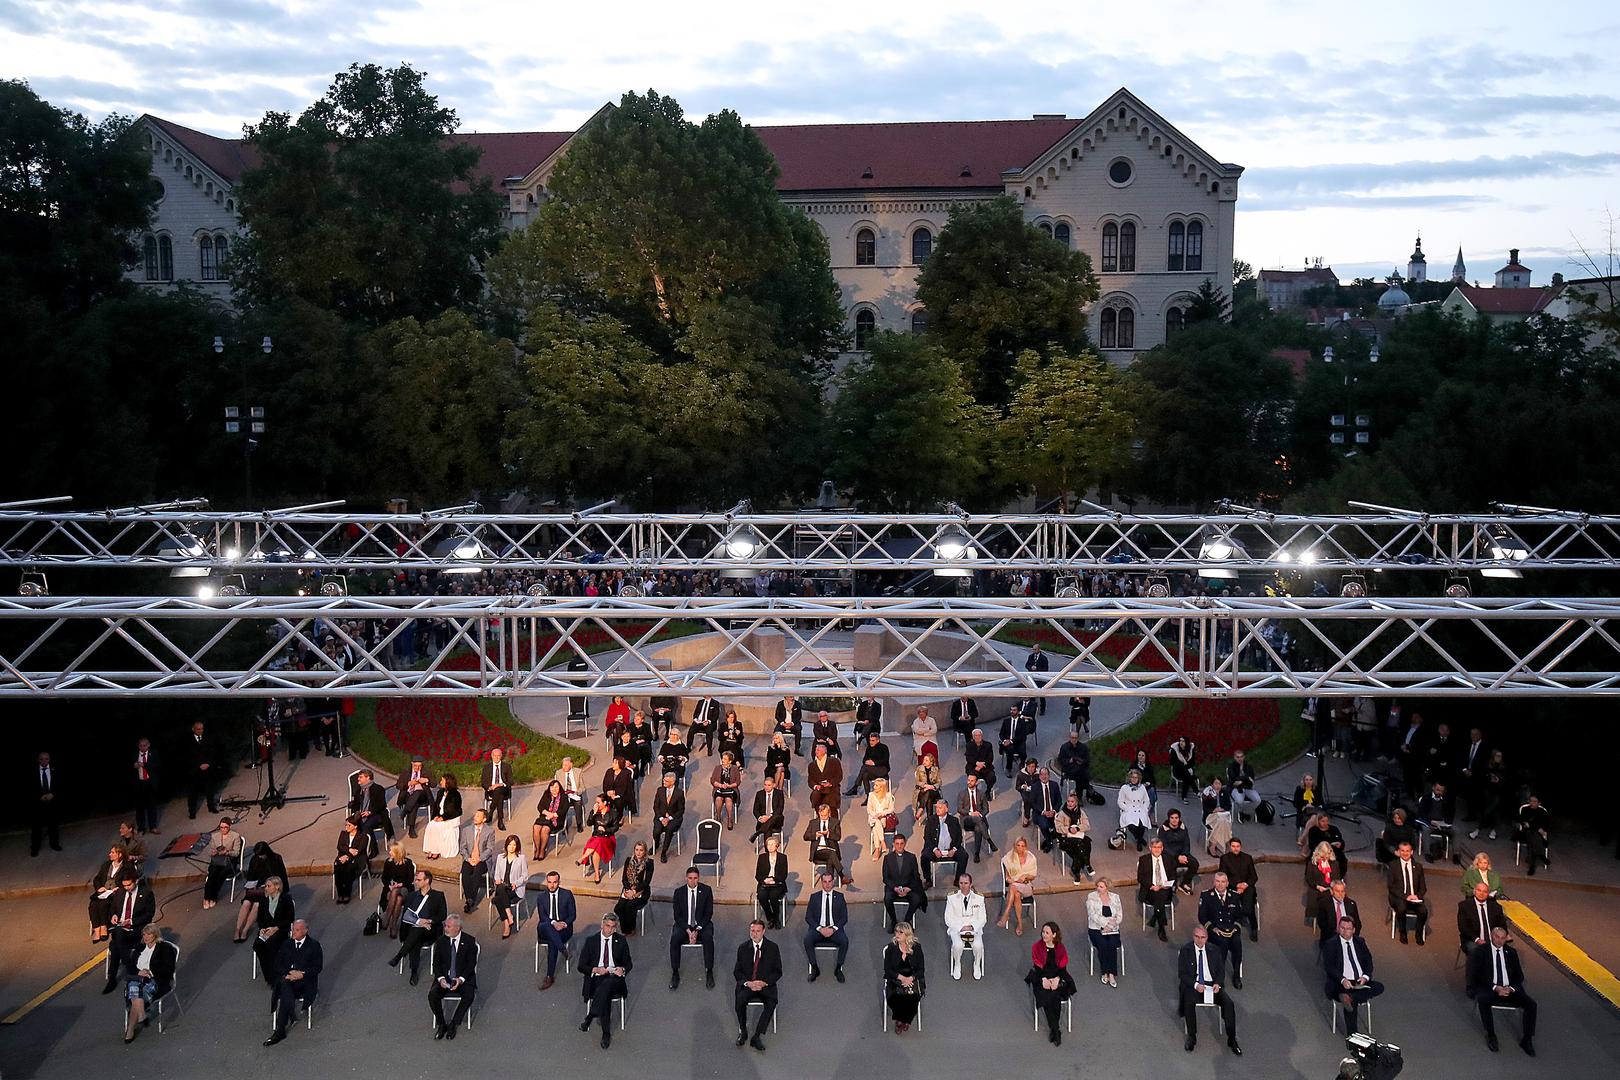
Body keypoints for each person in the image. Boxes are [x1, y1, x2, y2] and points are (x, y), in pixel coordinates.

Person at [1466, 926, 1537, 1055]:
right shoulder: (1481, 952)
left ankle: (1527, 1039)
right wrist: (1495, 987)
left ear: (1506, 939)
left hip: (1508, 989)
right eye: (1497, 937)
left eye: (1502, 938)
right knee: (1483, 999)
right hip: (1491, 988)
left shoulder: (1511, 953)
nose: (1499, 941)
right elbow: (1477, 974)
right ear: (1492, 936)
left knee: (1531, 1005)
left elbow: (1519, 976)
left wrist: (1510, 988)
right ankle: (1491, 1034)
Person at [1178, 925, 1241, 1054]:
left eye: (1202, 937)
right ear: (1193, 936)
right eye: (1197, 937)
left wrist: (1217, 983)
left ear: (1207, 938)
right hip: (1194, 985)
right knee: (1189, 1002)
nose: (1199, 940)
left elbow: (1220, 971)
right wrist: (1196, 985)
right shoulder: (1186, 950)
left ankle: (1232, 1038)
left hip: (1212, 986)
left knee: (1228, 1004)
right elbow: (1182, 974)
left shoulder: (1214, 950)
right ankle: (1192, 1036)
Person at [579, 913, 633, 1049]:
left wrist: (623, 970)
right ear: (602, 925)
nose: (610, 930)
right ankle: (605, 1032)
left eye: (613, 927)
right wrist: (596, 969)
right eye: (608, 926)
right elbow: (581, 966)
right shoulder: (591, 941)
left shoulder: (620, 940)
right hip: (597, 977)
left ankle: (591, 1017)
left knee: (607, 984)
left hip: (616, 979)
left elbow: (629, 963)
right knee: (604, 990)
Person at [1323, 916, 1384, 1035]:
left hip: (1358, 981)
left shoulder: (1360, 942)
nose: (1345, 931)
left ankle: (1350, 998)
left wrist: (1365, 977)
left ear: (1354, 930)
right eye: (1342, 928)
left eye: (1348, 928)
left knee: (1379, 987)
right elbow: (1329, 967)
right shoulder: (1331, 944)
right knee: (1348, 996)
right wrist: (1342, 979)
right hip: (1340, 983)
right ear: (1338, 928)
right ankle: (1353, 1034)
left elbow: (1368, 961)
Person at [264, 919, 321, 1046]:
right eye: (293, 929)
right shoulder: (286, 944)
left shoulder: (314, 946)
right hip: (288, 979)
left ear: (305, 931)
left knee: (285, 991)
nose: (293, 932)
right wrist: (289, 973)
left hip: (304, 982)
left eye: (297, 930)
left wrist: (301, 974)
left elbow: (317, 967)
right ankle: (283, 1025)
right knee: (285, 986)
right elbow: (277, 964)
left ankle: (280, 1029)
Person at [119, 923, 177, 1044]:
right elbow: (129, 967)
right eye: (144, 934)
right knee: (134, 987)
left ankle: (130, 1029)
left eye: (149, 934)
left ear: (155, 935)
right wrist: (140, 972)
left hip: (155, 980)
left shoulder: (165, 948)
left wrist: (150, 972)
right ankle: (140, 1016)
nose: (146, 937)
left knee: (136, 995)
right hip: (137, 978)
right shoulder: (140, 947)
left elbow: (168, 970)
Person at [388, 869, 447, 984]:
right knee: (416, 933)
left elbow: (442, 915)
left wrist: (428, 921)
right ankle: (413, 970)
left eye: (418, 880)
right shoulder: (412, 896)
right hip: (413, 930)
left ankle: (401, 957)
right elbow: (405, 915)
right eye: (415, 880)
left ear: (427, 881)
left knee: (416, 932)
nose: (415, 882)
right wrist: (419, 922)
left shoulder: (438, 896)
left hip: (430, 930)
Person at [101, 872, 155, 993]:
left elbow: (149, 915)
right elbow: (113, 910)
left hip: (135, 931)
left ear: (135, 881)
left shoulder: (146, 894)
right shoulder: (120, 893)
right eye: (124, 885)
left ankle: (113, 978)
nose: (126, 888)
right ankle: (130, 968)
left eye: (129, 885)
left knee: (114, 945)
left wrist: (131, 921)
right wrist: (114, 916)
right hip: (121, 929)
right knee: (118, 933)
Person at [734, 918, 782, 1051]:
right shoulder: (743, 948)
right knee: (740, 1000)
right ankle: (743, 1030)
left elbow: (777, 972)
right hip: (749, 985)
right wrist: (748, 983)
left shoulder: (773, 948)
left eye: (757, 931)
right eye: (752, 931)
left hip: (764, 985)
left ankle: (757, 1035)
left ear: (763, 932)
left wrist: (764, 983)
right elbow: (737, 972)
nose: (754, 934)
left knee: (772, 1002)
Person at [427, 914, 478, 1039]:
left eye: (448, 926)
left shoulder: (469, 941)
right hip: (445, 978)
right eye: (445, 926)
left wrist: (460, 980)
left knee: (469, 995)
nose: (445, 928)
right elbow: (436, 963)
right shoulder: (441, 941)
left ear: (457, 928)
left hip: (462, 978)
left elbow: (471, 964)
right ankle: (441, 1024)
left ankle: (454, 1023)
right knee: (432, 995)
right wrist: (441, 979)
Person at [1026, 921, 1076, 1046]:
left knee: (1055, 995)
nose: (1044, 935)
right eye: (1043, 932)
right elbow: (1037, 966)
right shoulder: (1036, 947)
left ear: (1054, 935)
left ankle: (1054, 1029)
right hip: (1041, 976)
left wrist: (1057, 979)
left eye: (1047, 933)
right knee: (1047, 996)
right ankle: (1056, 1030)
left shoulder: (1060, 948)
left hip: (1058, 977)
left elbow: (1063, 967)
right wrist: (1044, 979)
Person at [668, 865, 716, 989]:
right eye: (690, 878)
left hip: (702, 924)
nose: (693, 881)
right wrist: (689, 930)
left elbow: (708, 913)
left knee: (708, 938)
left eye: (695, 878)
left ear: (698, 878)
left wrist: (698, 929)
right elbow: (677, 916)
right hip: (684, 924)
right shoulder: (679, 892)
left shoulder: (706, 890)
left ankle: (709, 970)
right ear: (686, 878)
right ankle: (675, 972)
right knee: (674, 939)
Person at [1198, 872, 1246, 989]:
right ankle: (1220, 976)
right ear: (1214, 882)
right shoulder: (1206, 895)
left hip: (1231, 929)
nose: (1220, 884)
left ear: (1227, 883)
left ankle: (1236, 975)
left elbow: (1240, 916)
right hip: (1215, 930)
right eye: (1217, 881)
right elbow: (1202, 916)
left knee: (1237, 943)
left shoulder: (1234, 896)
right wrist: (1212, 928)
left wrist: (1236, 928)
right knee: (1222, 943)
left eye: (1223, 882)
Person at [235, 841, 290, 942]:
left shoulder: (276, 858)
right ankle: (238, 929)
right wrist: (252, 884)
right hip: (257, 888)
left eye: (261, 855)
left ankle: (245, 930)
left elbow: (281, 876)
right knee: (246, 903)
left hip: (269, 889)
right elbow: (251, 876)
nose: (259, 857)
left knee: (256, 905)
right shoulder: (255, 859)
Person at [802, 870, 849, 981]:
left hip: (834, 930)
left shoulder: (840, 897)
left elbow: (844, 918)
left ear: (833, 882)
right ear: (822, 883)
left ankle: (838, 968)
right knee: (807, 939)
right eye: (825, 882)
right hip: (818, 929)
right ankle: (814, 968)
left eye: (829, 881)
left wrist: (833, 929)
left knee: (844, 941)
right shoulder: (814, 897)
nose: (827, 884)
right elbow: (808, 917)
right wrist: (820, 929)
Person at [534, 870, 576, 989]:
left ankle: (549, 976)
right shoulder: (541, 897)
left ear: (559, 882)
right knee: (546, 925)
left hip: (563, 929)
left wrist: (563, 924)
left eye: (555, 882)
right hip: (546, 927)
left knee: (553, 940)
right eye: (549, 882)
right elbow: (542, 917)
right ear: (547, 882)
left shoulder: (567, 894)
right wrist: (554, 923)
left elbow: (573, 915)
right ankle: (563, 950)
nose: (552, 885)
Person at [883, 921, 926, 1033]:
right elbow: (888, 970)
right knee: (897, 995)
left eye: (900, 932)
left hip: (913, 980)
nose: (897, 935)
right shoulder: (891, 949)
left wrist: (911, 978)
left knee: (911, 996)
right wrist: (901, 978)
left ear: (907, 935)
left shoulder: (916, 948)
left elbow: (921, 970)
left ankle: (904, 1019)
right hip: (895, 980)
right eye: (896, 932)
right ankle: (901, 1018)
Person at [944, 872, 987, 979]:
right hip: (957, 929)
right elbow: (948, 919)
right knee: (958, 945)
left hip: (974, 929)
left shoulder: (979, 898)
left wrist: (972, 927)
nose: (963, 886)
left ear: (971, 884)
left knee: (978, 946)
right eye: (961, 883)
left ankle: (977, 965)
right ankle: (957, 964)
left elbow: (983, 918)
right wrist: (961, 928)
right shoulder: (951, 898)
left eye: (966, 883)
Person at [89, 843, 135, 943]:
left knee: (103, 904)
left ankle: (104, 927)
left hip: (116, 892)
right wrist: (99, 887)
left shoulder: (127, 866)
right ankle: (97, 929)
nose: (110, 854)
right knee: (93, 904)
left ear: (120, 854)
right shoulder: (106, 865)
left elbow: (129, 880)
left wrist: (120, 888)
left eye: (113, 852)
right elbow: (97, 878)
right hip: (105, 891)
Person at [252, 875, 295, 977]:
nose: (266, 888)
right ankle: (268, 971)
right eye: (266, 886)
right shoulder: (264, 900)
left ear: (277, 886)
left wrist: (276, 928)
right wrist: (262, 928)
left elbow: (289, 918)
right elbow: (260, 918)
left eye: (268, 886)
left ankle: (276, 971)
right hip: (267, 930)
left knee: (271, 944)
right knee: (258, 945)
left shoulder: (286, 899)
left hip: (280, 930)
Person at [880, 832, 927, 927]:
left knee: (916, 898)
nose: (899, 846)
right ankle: (894, 921)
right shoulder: (888, 858)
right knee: (887, 899)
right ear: (893, 844)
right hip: (893, 887)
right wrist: (895, 888)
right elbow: (885, 878)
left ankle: (906, 922)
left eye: (901, 843)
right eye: (897, 844)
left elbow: (916, 876)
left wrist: (908, 888)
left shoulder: (911, 857)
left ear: (905, 844)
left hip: (908, 887)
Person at [1217, 838, 1259, 940]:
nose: (1236, 849)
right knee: (1229, 904)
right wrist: (1236, 885)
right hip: (1232, 887)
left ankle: (1254, 928)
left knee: (1249, 908)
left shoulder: (1248, 858)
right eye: (1233, 846)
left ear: (1241, 847)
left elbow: (1254, 876)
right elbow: (1223, 877)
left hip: (1247, 887)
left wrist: (1245, 885)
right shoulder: (1224, 858)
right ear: (1230, 847)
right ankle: (1229, 927)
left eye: (1238, 846)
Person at [457, 808, 498, 913]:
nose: (475, 818)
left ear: (484, 819)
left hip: (482, 860)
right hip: (469, 858)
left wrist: (479, 859)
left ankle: (470, 899)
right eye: (475, 815)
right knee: (465, 873)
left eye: (478, 816)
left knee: (476, 873)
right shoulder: (466, 830)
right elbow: (462, 848)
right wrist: (468, 858)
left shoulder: (490, 831)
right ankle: (469, 899)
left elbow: (490, 848)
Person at [1387, 840, 1428, 944]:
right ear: (1399, 852)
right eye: (1403, 851)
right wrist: (1406, 897)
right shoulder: (1393, 866)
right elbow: (1391, 887)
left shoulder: (1418, 866)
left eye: (1407, 851)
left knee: (1423, 911)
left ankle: (1418, 934)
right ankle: (1403, 932)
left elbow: (1423, 888)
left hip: (1415, 898)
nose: (1405, 853)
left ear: (1412, 852)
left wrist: (1417, 896)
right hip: (1399, 897)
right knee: (1401, 908)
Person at [998, 836, 1038, 936]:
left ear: (1026, 847)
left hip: (1027, 886)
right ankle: (1020, 924)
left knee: (1012, 887)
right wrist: (1013, 880)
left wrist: (1025, 876)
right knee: (1015, 893)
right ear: (1015, 846)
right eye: (1018, 845)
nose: (1020, 848)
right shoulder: (1009, 857)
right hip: (1015, 885)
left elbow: (1033, 876)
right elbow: (1007, 878)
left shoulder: (1031, 858)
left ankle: (1006, 914)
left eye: (1022, 846)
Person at [1087, 878, 1124, 986]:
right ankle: (1105, 972)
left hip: (1112, 928)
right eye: (1097, 886)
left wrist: (1112, 925)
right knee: (1103, 944)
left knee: (1112, 944)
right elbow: (1092, 915)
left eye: (1101, 887)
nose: (1098, 888)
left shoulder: (1115, 897)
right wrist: (1105, 924)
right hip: (1096, 928)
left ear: (1107, 888)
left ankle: (1111, 973)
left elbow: (1119, 915)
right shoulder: (1091, 897)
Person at [613, 840, 654, 935]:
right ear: (634, 850)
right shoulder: (628, 860)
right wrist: (628, 890)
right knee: (618, 908)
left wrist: (635, 891)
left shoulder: (649, 863)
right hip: (628, 889)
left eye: (641, 850)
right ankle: (625, 926)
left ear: (645, 851)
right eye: (637, 850)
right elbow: (624, 879)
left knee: (629, 906)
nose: (638, 852)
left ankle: (630, 928)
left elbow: (646, 881)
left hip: (641, 891)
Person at [921, 798, 965, 887]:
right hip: (935, 848)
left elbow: (959, 837)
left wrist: (954, 849)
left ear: (946, 809)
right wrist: (934, 849)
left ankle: (957, 880)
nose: (937, 809)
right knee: (924, 857)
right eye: (936, 807)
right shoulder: (931, 820)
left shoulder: (954, 820)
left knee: (964, 856)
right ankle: (928, 879)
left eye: (940, 808)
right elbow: (927, 837)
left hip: (951, 848)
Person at [491, 835, 528, 939]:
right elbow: (497, 874)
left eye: (514, 845)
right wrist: (497, 879)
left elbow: (525, 877)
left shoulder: (521, 858)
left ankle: (507, 921)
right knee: (501, 888)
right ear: (506, 846)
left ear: (517, 846)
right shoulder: (500, 857)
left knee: (497, 898)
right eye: (509, 845)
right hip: (503, 887)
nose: (511, 847)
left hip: (514, 889)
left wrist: (516, 883)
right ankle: (508, 919)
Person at [1138, 838, 1176, 942]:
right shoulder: (1143, 860)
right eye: (1155, 847)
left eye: (1159, 847)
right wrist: (1151, 886)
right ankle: (1161, 927)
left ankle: (1156, 918)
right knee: (1158, 895)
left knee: (1161, 894)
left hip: (1165, 889)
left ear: (1162, 848)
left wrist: (1168, 885)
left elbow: (1173, 875)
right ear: (1150, 848)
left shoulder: (1169, 859)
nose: (1157, 850)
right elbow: (1140, 878)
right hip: (1150, 890)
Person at [376, 841, 415, 938]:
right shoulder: (388, 862)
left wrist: (401, 884)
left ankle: (387, 917)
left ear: (397, 852)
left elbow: (410, 879)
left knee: (397, 892)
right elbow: (384, 878)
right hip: (392, 889)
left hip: (405, 888)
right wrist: (389, 885)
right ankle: (393, 925)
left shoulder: (408, 863)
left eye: (391, 851)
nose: (389, 852)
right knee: (398, 899)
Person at [579, 794, 621, 883]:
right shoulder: (595, 811)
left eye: (598, 802)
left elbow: (616, 828)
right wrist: (593, 814)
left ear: (605, 803)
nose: (596, 804)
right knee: (597, 847)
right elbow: (589, 823)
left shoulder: (613, 813)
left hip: (608, 838)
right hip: (596, 837)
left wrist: (605, 829)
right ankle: (597, 873)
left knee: (598, 842)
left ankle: (583, 858)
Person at [182, 721, 221, 819]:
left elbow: (213, 752)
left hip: (208, 768)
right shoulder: (187, 741)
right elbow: (187, 756)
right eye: (198, 729)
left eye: (202, 729)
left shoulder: (208, 738)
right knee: (193, 792)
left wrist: (208, 763)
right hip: (194, 770)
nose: (200, 731)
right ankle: (192, 811)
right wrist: (198, 765)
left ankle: (211, 807)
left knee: (210, 789)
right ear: (193, 729)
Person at [804, 802, 849, 884]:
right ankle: (842, 876)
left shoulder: (835, 822)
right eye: (821, 816)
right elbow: (805, 837)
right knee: (831, 854)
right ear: (819, 813)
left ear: (829, 813)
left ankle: (828, 883)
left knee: (830, 858)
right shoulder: (813, 823)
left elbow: (838, 837)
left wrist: (829, 834)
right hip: (818, 851)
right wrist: (815, 835)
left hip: (831, 850)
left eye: (825, 815)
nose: (823, 817)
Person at [1458, 879, 1509, 950]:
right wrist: (1477, 940)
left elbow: (1502, 926)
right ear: (1474, 891)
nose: (1481, 894)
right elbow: (1463, 927)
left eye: (1485, 892)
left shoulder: (1496, 907)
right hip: (1473, 939)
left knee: (1508, 952)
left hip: (1493, 940)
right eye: (1479, 890)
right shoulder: (1464, 906)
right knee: (1476, 951)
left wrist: (1498, 938)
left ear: (1488, 894)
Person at [1052, 792, 1092, 882]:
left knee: (1087, 843)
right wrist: (1069, 829)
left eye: (1072, 801)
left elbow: (1087, 826)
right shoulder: (1062, 813)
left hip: (1078, 836)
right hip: (1066, 838)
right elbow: (1058, 828)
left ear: (1076, 803)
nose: (1070, 803)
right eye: (1068, 801)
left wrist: (1078, 828)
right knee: (1079, 848)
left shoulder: (1081, 812)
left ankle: (1076, 869)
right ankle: (1086, 865)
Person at [1471, 748, 1509, 840]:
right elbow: (1483, 777)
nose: (1499, 758)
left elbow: (1506, 780)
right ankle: (1492, 829)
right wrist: (1489, 778)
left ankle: (1478, 829)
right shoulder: (1487, 766)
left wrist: (1499, 780)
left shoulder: (1503, 767)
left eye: (1500, 756)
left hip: (1498, 792)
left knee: (1490, 810)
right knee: (1489, 810)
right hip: (1488, 790)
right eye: (1497, 756)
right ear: (1493, 756)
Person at [958, 776, 998, 862]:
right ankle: (989, 840)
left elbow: (986, 809)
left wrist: (979, 814)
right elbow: (959, 809)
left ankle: (976, 853)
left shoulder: (981, 794)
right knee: (978, 820)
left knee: (978, 828)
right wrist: (971, 813)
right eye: (968, 780)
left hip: (979, 820)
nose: (969, 782)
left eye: (972, 781)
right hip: (966, 819)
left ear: (976, 782)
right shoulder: (962, 793)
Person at [1160, 808, 1200, 892]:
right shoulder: (1163, 829)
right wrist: (1177, 857)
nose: (1174, 820)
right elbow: (1165, 846)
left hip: (1183, 854)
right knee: (1171, 865)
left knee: (1195, 864)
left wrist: (1184, 855)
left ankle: (1184, 883)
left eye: (1176, 818)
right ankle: (1173, 884)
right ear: (1169, 818)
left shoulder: (1183, 828)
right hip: (1170, 855)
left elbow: (1186, 843)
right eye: (1172, 818)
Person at [423, 774, 462, 860]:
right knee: (430, 825)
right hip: (441, 816)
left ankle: (436, 851)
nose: (440, 782)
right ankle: (432, 849)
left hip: (451, 818)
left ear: (448, 783)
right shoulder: (440, 792)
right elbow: (436, 807)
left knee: (437, 827)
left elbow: (452, 810)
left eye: (442, 781)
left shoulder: (455, 795)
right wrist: (435, 816)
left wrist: (443, 818)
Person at [1416, 780, 1456, 863]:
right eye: (1438, 790)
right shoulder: (1426, 798)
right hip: (1429, 822)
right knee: (1426, 830)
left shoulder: (1447, 800)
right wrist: (1431, 821)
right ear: (1433, 788)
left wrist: (1446, 822)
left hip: (1442, 823)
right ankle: (1427, 853)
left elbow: (1451, 813)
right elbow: (1421, 813)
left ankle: (1456, 855)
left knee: (1457, 831)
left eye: (1441, 791)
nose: (1439, 792)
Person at [755, 833, 789, 929]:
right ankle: (770, 918)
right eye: (768, 844)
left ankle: (776, 918)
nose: (769, 846)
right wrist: (765, 880)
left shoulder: (783, 857)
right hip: (764, 883)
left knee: (774, 897)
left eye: (772, 844)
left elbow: (784, 874)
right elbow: (758, 875)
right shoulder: (762, 857)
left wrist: (774, 879)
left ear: (777, 846)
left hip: (777, 883)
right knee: (762, 897)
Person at [1025, 766, 1063, 852]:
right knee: (1044, 825)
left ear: (1049, 776)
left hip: (1053, 813)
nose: (1044, 776)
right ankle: (1049, 841)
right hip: (1040, 813)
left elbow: (1059, 801)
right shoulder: (1035, 787)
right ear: (1039, 776)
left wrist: (1054, 811)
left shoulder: (1054, 785)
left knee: (1061, 823)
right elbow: (1032, 803)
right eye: (1042, 774)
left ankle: (1052, 837)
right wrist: (1043, 812)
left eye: (1046, 774)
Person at [350, 768, 393, 842]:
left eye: (361, 777)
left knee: (366, 826)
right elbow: (356, 804)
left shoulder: (378, 789)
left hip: (377, 814)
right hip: (362, 814)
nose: (358, 779)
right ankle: (359, 846)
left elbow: (381, 805)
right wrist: (356, 813)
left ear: (368, 778)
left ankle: (371, 849)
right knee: (352, 825)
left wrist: (370, 812)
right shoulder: (359, 790)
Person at [395, 758, 434, 839]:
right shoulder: (406, 772)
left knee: (418, 792)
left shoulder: (426, 772)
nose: (417, 768)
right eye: (415, 766)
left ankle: (405, 811)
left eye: (419, 766)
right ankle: (411, 829)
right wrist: (408, 784)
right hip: (408, 795)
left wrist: (427, 780)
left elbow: (434, 784)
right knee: (414, 803)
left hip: (422, 796)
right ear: (412, 764)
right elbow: (398, 785)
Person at [844, 731, 890, 798]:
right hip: (872, 770)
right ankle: (868, 797)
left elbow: (885, 760)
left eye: (873, 740)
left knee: (864, 767)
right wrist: (867, 762)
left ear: (878, 740)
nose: (871, 742)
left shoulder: (884, 748)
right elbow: (864, 760)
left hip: (882, 770)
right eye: (870, 740)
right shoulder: (869, 748)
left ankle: (855, 787)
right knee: (865, 775)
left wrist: (874, 763)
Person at [651, 772, 685, 863]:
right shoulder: (660, 790)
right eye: (663, 780)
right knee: (657, 830)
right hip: (660, 817)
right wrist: (662, 818)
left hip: (674, 818)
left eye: (666, 781)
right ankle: (656, 843)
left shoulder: (679, 793)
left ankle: (664, 851)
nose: (663, 782)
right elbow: (656, 806)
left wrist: (669, 818)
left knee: (669, 829)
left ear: (672, 782)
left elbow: (681, 810)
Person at [1302, 812, 1348, 878]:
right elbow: (1312, 845)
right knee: (1312, 859)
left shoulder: (1334, 829)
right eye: (1323, 821)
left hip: (1334, 851)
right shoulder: (1313, 830)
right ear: (1318, 821)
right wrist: (1326, 845)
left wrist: (1340, 844)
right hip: (1319, 851)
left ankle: (1339, 877)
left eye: (1326, 821)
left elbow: (1341, 841)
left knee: (1342, 859)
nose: (1325, 823)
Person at [1516, 794, 1551, 875]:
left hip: (1537, 836)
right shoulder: (1525, 810)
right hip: (1525, 834)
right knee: (1533, 835)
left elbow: (1545, 824)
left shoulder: (1542, 812)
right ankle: (1541, 855)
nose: (1532, 803)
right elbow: (1523, 822)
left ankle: (1532, 866)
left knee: (1534, 838)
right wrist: (1538, 828)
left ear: (1539, 803)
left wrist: (1532, 826)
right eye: (1530, 801)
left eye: (1534, 801)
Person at [1118, 770, 1153, 850]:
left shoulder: (1142, 787)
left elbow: (1147, 800)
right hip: (1129, 809)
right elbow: (1120, 801)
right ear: (1129, 778)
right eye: (1132, 777)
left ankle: (1139, 839)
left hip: (1140, 809)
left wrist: (1144, 809)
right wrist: (1126, 809)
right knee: (1132, 825)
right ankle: (1139, 840)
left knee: (1142, 824)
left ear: (1139, 778)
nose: (1134, 779)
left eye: (1136, 777)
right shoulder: (1124, 788)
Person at [533, 779, 567, 861]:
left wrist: (553, 815)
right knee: (536, 827)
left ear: (559, 788)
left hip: (557, 819)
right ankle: (537, 849)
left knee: (545, 829)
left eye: (556, 787)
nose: (554, 789)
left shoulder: (563, 797)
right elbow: (540, 806)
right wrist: (547, 813)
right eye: (552, 787)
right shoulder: (546, 794)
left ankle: (542, 850)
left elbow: (564, 809)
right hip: (544, 817)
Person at [132, 738, 160, 835]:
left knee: (152, 805)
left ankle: (153, 826)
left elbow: (157, 766)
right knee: (139, 807)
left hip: (150, 782)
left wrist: (145, 765)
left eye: (144, 745)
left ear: (148, 745)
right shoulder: (135, 755)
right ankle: (141, 828)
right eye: (140, 746)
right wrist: (134, 765)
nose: (142, 747)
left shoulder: (154, 753)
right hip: (139, 783)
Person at [749, 774, 786, 845]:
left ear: (774, 785)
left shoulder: (779, 794)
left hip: (776, 820)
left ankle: (758, 833)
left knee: (776, 816)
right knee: (768, 829)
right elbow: (755, 809)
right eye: (765, 785)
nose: (766, 787)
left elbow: (780, 809)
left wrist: (769, 817)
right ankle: (768, 851)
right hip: (763, 820)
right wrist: (760, 817)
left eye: (769, 785)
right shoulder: (759, 794)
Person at [998, 706, 1035, 777]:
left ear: (1018, 712)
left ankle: (1022, 763)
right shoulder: (1006, 721)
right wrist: (1004, 741)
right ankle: (1009, 768)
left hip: (1018, 741)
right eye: (1011, 710)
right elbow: (1001, 733)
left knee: (1023, 753)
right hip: (1008, 742)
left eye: (1014, 710)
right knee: (1009, 751)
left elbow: (1023, 735)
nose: (1012, 712)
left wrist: (1011, 741)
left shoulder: (1022, 722)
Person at [1055, 730, 1092, 801]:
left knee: (1080, 774)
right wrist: (1069, 760)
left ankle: (1079, 796)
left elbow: (1087, 759)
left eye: (1075, 738)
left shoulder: (1083, 747)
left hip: (1080, 769)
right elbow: (1060, 760)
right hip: (1069, 769)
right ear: (1070, 738)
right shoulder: (1064, 747)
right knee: (1082, 774)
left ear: (1078, 738)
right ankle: (1087, 788)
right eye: (1072, 737)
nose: (1074, 739)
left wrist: (1081, 761)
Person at [710, 751, 742, 829]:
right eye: (722, 758)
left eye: (725, 759)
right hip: (719, 789)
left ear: (730, 761)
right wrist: (720, 785)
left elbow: (738, 782)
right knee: (718, 798)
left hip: (731, 789)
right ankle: (718, 816)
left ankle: (729, 819)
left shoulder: (735, 769)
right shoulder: (717, 768)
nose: (722, 760)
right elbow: (712, 780)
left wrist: (730, 785)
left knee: (728, 799)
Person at [865, 776, 896, 860]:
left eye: (876, 785)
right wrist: (875, 814)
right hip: (874, 817)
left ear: (882, 787)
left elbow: (891, 809)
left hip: (884, 818)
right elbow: (869, 809)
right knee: (876, 822)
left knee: (876, 825)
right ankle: (882, 843)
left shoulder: (888, 795)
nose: (874, 787)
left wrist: (882, 813)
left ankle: (877, 849)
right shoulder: (871, 795)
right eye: (874, 785)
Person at [555, 756, 587, 834]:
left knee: (578, 802)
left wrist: (576, 792)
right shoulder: (559, 773)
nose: (563, 767)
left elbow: (582, 787)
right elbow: (556, 787)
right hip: (564, 795)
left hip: (575, 794)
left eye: (566, 765)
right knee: (562, 803)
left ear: (571, 765)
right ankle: (563, 825)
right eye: (563, 765)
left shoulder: (578, 772)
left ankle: (579, 824)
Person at [964, 728, 997, 798]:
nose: (977, 737)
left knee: (992, 777)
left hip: (985, 767)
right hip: (973, 767)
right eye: (976, 736)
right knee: (971, 778)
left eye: (979, 735)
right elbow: (968, 758)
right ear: (973, 737)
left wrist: (981, 765)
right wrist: (976, 763)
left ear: (982, 736)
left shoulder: (988, 745)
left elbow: (990, 758)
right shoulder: (969, 745)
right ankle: (973, 794)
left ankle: (988, 791)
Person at [1226, 751, 1259, 820]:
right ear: (1235, 758)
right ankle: (1242, 812)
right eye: (1238, 757)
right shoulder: (1231, 767)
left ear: (1244, 757)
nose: (1240, 759)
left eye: (1241, 757)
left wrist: (1241, 780)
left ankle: (1244, 812)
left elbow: (1252, 780)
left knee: (1258, 800)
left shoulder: (1248, 767)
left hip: (1247, 787)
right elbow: (1234, 780)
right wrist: (1246, 778)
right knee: (1239, 801)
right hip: (1235, 788)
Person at [914, 751, 942, 824]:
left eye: (926, 760)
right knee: (929, 799)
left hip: (934, 792)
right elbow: (917, 782)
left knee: (929, 792)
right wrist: (925, 786)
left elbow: (939, 782)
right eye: (924, 760)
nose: (924, 761)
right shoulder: (919, 769)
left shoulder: (935, 769)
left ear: (931, 762)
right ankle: (930, 819)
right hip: (922, 791)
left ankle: (921, 808)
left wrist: (931, 786)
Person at [1169, 735, 1198, 801]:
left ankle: (1184, 797)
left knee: (1186, 775)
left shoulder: (1190, 750)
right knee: (1185, 771)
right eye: (1180, 741)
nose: (1181, 743)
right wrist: (1184, 766)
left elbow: (1192, 762)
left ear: (1187, 743)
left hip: (1187, 771)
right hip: (1177, 771)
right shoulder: (1174, 750)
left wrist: (1186, 767)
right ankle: (1195, 790)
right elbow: (1173, 763)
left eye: (1183, 741)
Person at [1024, 645, 1050, 714]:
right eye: (1033, 649)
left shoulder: (1044, 658)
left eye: (1035, 649)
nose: (1034, 651)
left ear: (1039, 649)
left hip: (1040, 678)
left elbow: (1045, 669)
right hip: (1032, 678)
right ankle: (1033, 709)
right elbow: (1027, 665)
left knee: (1041, 695)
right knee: (1032, 694)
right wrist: (1030, 667)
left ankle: (1042, 710)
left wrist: (1037, 669)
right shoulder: (1030, 656)